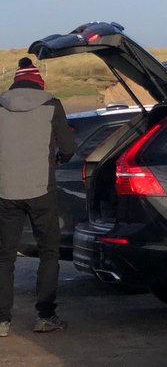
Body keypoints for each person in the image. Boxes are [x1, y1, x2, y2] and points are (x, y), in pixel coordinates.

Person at [0, 57, 76, 337]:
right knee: (48, 253)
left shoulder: (0, 104)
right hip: (41, 190)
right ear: (38, 80)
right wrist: (58, 158)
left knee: (4, 257)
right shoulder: (51, 105)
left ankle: (1, 321)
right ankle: (45, 316)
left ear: (16, 80)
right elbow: (68, 147)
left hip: (6, 191)